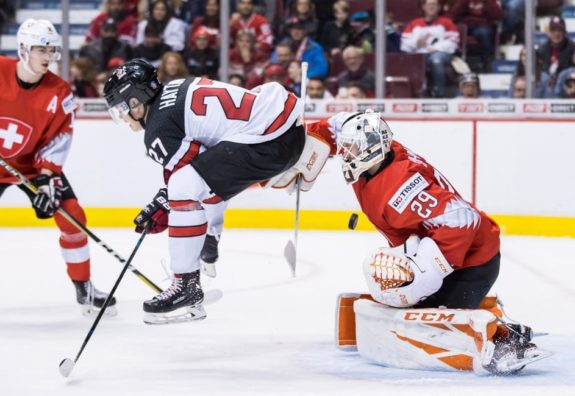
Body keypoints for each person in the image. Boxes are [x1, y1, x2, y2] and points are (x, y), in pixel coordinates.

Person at [273, 109, 547, 374]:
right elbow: (340, 125)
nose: (343, 154)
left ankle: (507, 339)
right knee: (408, 297)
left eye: (350, 150)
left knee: (433, 329)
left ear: (369, 151)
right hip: (448, 248)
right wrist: (306, 151)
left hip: (472, 261)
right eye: (345, 149)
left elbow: (463, 220)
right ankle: (482, 310)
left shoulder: (401, 186)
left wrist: (428, 270)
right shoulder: (375, 151)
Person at [103, 59, 305, 324]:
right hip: (287, 126)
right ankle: (209, 240)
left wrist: (165, 201)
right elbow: (210, 172)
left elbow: (195, 175)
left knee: (184, 185)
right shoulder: (175, 87)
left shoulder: (157, 130)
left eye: (121, 109)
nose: (123, 118)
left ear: (135, 101)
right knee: (191, 182)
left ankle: (185, 283)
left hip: (272, 143)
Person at [0, 19, 116, 314]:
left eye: (50, 50)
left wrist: (47, 178)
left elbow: (61, 136)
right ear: (23, 48)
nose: (47, 56)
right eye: (41, 49)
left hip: (31, 167)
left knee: (72, 216)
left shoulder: (59, 91)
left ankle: (84, 289)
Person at [401, 0, 460, 97]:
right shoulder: (414, 24)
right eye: (429, 4)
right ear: (423, 7)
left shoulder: (447, 23)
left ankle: (438, 94)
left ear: (439, 7)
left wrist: (436, 48)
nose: (431, 7)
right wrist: (416, 44)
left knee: (436, 60)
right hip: (419, 54)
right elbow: (404, 44)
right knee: (411, 62)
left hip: (440, 53)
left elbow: (454, 41)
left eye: (434, 4)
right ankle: (415, 94)